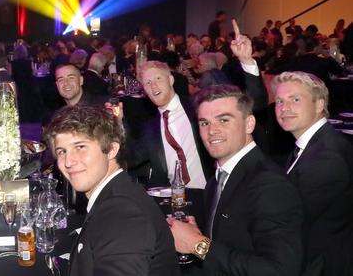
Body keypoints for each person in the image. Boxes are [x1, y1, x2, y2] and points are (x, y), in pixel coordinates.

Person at [167, 85, 303, 276]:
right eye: (204, 123)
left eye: (223, 120)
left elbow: (279, 270)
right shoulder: (218, 178)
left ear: (249, 124)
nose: (212, 130)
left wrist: (197, 244)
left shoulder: (269, 184)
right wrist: (198, 236)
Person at [44, 104, 179, 276]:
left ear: (111, 150)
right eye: (62, 151)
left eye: (80, 147)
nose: (68, 161)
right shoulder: (118, 193)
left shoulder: (121, 211)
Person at [136, 33, 267, 189]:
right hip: (174, 199)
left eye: (158, 79)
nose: (153, 86)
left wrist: (246, 61)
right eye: (147, 83)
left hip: (212, 192)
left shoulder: (198, 106)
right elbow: (130, 158)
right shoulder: (149, 129)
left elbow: (256, 104)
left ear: (171, 80)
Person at [272, 72, 353, 275]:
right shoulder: (314, 144)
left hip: (324, 264)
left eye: (295, 99)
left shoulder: (326, 157)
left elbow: (287, 219)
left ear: (319, 105)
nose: (284, 108)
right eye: (279, 101)